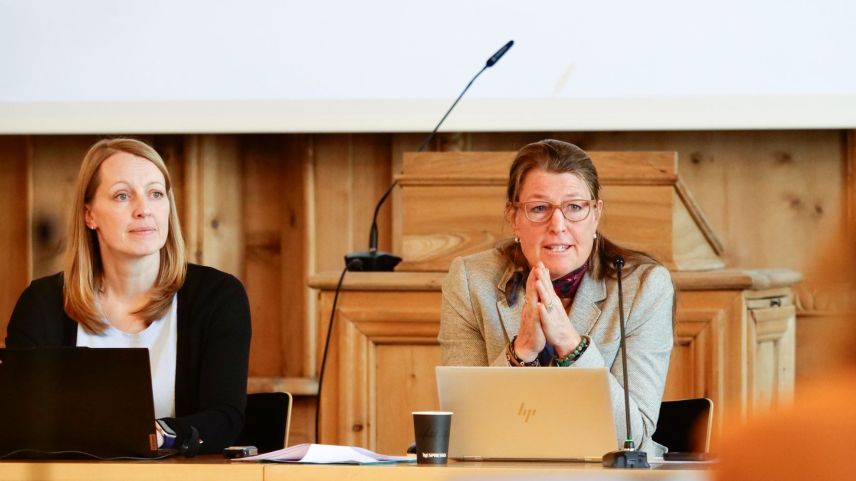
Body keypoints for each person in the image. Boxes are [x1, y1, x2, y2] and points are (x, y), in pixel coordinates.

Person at [5, 138, 251, 455]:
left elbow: (224, 418)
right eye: (123, 196)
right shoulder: (43, 304)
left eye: (155, 194)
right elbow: (21, 423)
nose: (143, 210)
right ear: (89, 215)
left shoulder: (216, 297)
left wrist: (155, 434)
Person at [438, 139, 674, 456]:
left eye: (574, 207)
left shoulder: (642, 287)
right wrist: (520, 353)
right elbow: (463, 432)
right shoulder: (470, 280)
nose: (558, 226)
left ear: (596, 214)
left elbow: (631, 438)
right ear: (513, 216)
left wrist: (570, 344)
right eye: (539, 209)